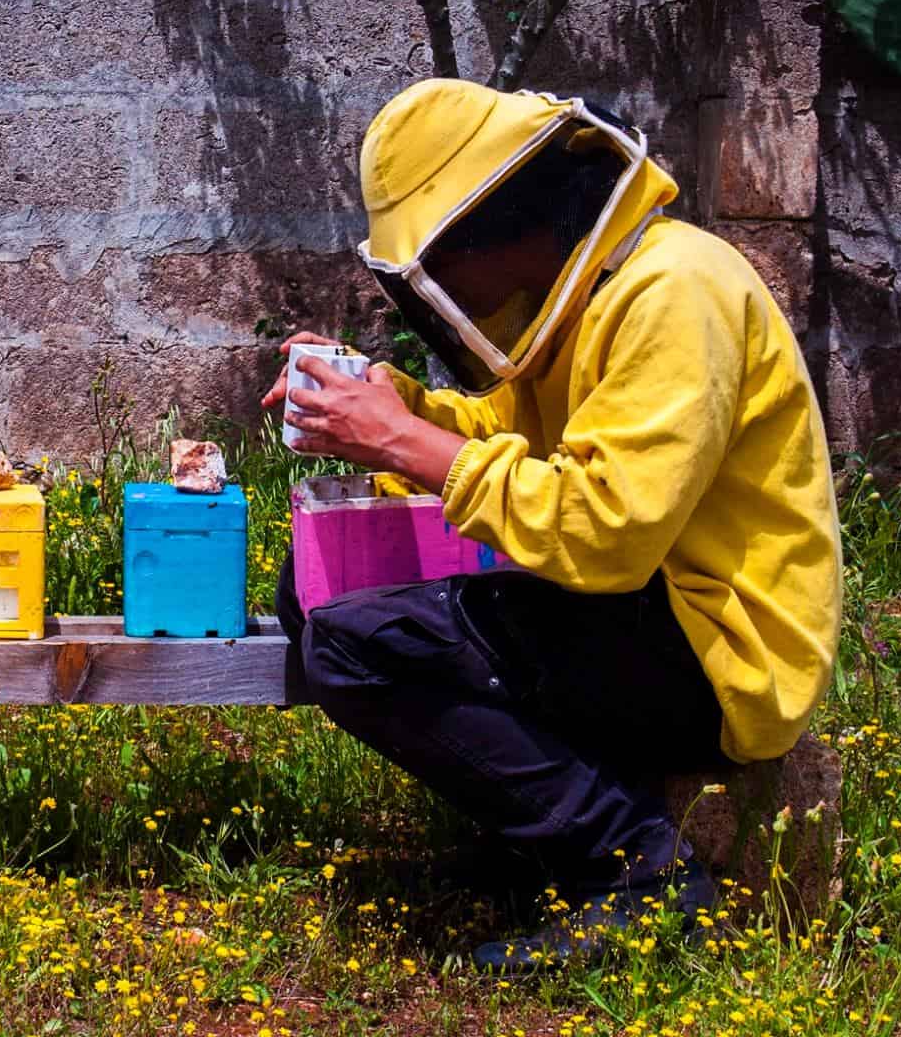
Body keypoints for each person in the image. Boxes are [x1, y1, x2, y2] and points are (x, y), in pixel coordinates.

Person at [263, 78, 842, 972]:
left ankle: (639, 876)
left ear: (487, 228)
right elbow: (507, 433)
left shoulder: (673, 292)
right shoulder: (587, 296)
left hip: (719, 645)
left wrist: (406, 444)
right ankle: (541, 840)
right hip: (639, 611)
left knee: (356, 643)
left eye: (438, 265)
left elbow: (606, 531)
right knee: (316, 600)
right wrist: (394, 406)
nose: (445, 290)